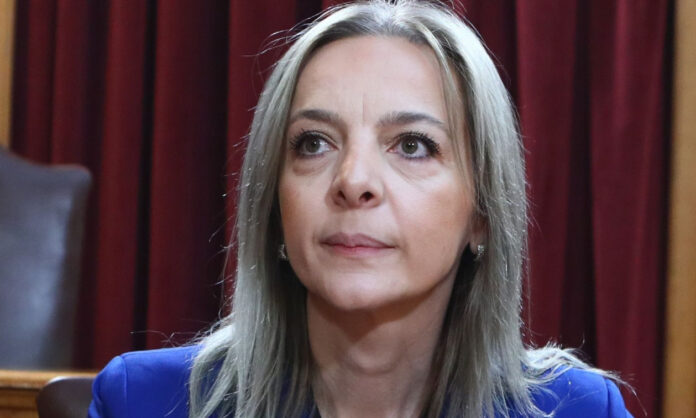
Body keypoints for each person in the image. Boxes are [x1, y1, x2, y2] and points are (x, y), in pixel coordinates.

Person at [88, 1, 633, 417]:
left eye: (413, 145)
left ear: (482, 213)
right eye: (314, 143)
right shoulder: (141, 402)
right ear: (274, 207)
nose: (353, 181)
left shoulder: (581, 410)